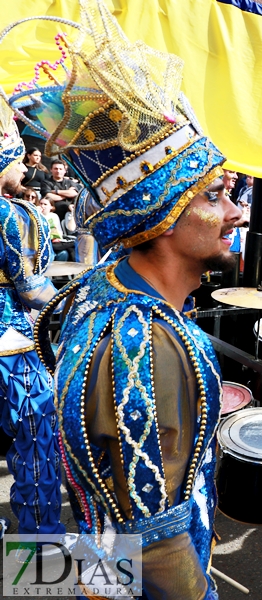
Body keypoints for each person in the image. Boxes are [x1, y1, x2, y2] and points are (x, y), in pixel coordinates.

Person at [19, 3, 234, 595]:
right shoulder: (144, 343)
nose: (235, 213)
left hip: (97, 564)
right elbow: (157, 534)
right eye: (215, 196)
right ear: (163, 215)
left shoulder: (98, 286)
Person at [0, 101, 62, 537]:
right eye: (17, 157)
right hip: (13, 351)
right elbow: (33, 291)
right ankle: (38, 551)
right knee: (36, 450)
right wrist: (78, 300)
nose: (25, 166)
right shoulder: (10, 216)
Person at [40, 159, 80, 224]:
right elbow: (49, 196)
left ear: (65, 171)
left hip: (70, 209)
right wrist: (66, 195)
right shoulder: (46, 182)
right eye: (55, 168)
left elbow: (74, 193)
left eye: (60, 169)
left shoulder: (70, 182)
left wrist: (56, 191)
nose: (58, 171)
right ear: (51, 170)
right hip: (55, 208)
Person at [38, 197, 73, 262]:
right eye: (41, 204)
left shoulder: (54, 216)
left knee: (64, 253)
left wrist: (58, 237)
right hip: (41, 243)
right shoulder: (36, 215)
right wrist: (38, 215)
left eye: (45, 204)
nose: (42, 206)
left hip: (53, 242)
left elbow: (59, 232)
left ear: (51, 207)